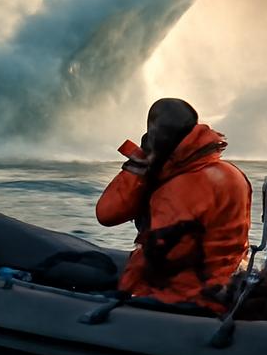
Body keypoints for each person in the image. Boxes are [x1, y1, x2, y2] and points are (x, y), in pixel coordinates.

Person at [95, 98, 252, 315]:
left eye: (153, 132)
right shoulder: (229, 173)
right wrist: (141, 167)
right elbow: (109, 214)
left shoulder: (180, 187)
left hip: (184, 296)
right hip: (221, 288)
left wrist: (127, 291)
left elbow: (162, 257)